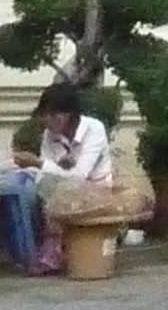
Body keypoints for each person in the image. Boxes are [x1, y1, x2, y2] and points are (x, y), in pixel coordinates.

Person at [14, 83, 114, 274]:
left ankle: (54, 251)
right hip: (60, 189)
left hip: (95, 188)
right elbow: (48, 172)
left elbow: (79, 176)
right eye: (46, 114)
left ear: (70, 114)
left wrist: (39, 164)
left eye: (54, 114)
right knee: (33, 190)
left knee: (59, 189)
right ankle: (39, 248)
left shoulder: (94, 130)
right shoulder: (49, 135)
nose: (49, 121)